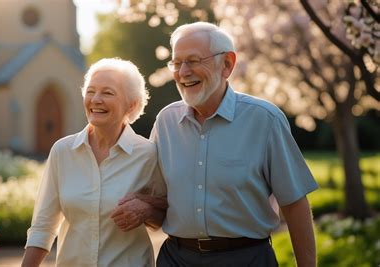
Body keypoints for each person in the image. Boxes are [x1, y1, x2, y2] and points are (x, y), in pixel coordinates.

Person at [115, 22, 319, 266]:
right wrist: (144, 207)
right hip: (176, 258)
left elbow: (295, 204)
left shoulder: (265, 120)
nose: (183, 72)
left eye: (193, 60)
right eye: (177, 63)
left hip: (247, 258)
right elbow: (162, 199)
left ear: (227, 65)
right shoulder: (166, 122)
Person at [21, 58, 166, 267]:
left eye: (107, 93)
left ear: (131, 104)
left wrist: (148, 209)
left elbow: (167, 212)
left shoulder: (148, 154)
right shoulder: (63, 151)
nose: (95, 99)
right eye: (90, 91)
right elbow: (43, 226)